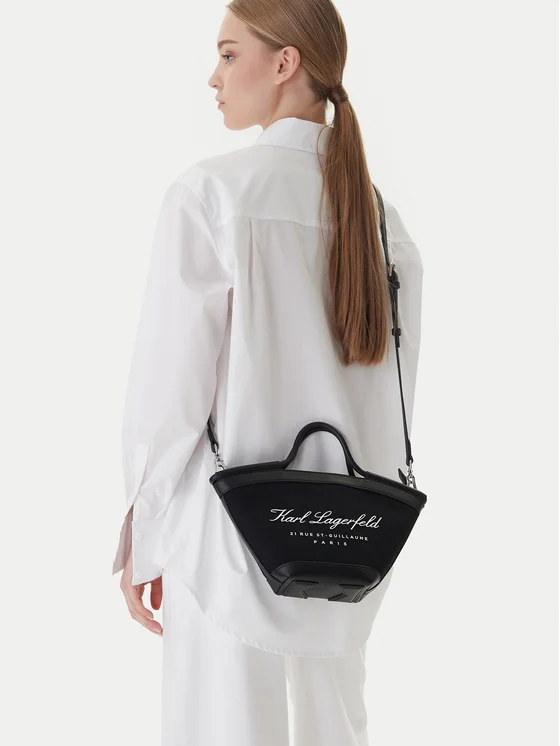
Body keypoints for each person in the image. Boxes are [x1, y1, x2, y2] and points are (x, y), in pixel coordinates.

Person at [112, 1, 424, 744]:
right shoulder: (382, 222)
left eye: (228, 54)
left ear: (285, 63)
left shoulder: (213, 196)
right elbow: (395, 401)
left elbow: (171, 393)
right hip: (347, 555)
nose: (213, 77)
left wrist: (144, 534)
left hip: (225, 545)